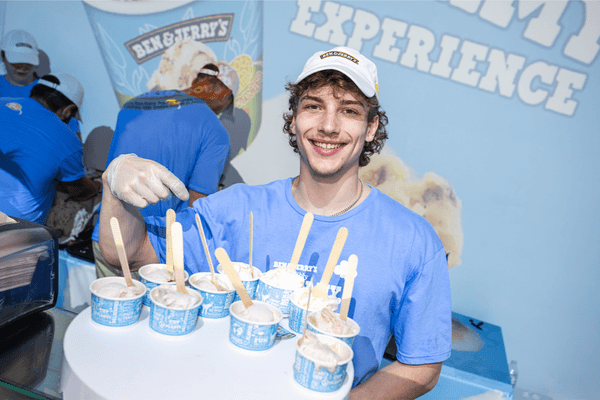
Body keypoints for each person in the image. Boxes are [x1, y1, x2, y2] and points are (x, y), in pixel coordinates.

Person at [97, 46, 451, 398]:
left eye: (349, 110)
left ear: (371, 127)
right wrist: (114, 186)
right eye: (313, 106)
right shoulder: (237, 209)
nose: (329, 126)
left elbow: (423, 366)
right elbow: (129, 253)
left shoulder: (413, 239)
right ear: (294, 119)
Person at [91, 63, 233, 279]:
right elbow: (198, 202)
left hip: (107, 237)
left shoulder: (134, 104)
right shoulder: (215, 129)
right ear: (222, 96)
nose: (220, 113)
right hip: (153, 250)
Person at [0, 73, 100, 224]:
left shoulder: (2, 102)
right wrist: (99, 184)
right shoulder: (66, 137)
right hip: (12, 229)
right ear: (68, 110)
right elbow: (80, 191)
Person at [1, 29, 82, 140]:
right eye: (16, 62)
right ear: (3, 56)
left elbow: (74, 139)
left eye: (28, 62)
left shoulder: (51, 90)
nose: (23, 68)